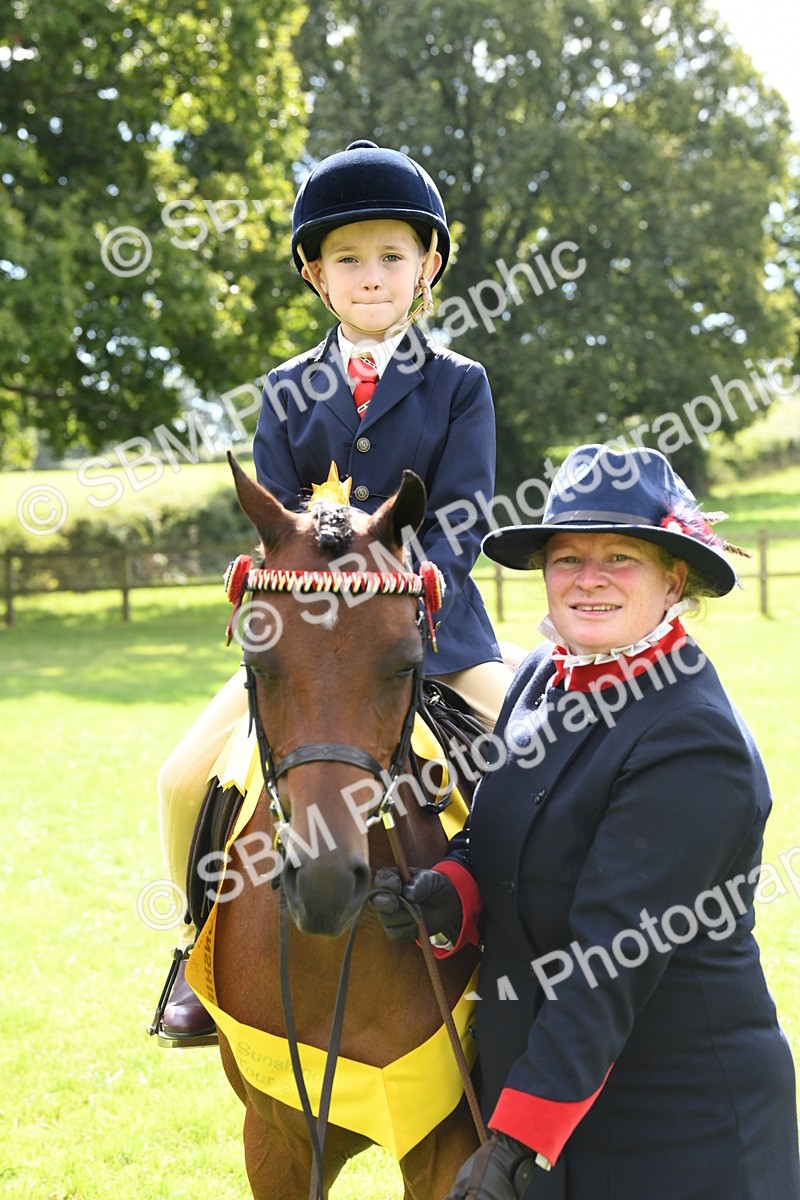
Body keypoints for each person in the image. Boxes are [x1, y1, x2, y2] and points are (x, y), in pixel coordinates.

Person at [374, 443, 800, 1200]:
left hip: (676, 1126)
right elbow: (497, 834)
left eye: (620, 557)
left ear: (674, 578)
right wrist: (449, 889)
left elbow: (608, 963)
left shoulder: (691, 737)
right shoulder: (541, 675)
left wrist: (512, 1144)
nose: (588, 578)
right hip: (549, 1098)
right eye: (567, 557)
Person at [155, 139, 512, 1041]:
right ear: (316, 274)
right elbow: (273, 519)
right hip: (308, 644)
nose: (371, 275)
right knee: (181, 778)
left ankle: (531, 951)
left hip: (436, 637)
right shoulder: (283, 391)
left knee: (530, 763)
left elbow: (462, 518)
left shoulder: (460, 385)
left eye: (391, 255)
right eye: (347, 259)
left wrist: (394, 582)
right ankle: (193, 956)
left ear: (427, 266)